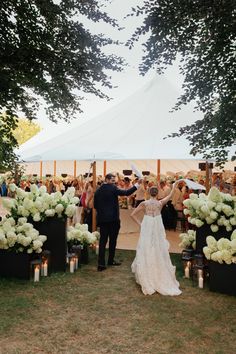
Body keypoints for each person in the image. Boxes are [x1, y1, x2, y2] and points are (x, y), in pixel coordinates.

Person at [130, 182, 182, 296]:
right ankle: (158, 270)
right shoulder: (160, 203)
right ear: (157, 193)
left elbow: (132, 214)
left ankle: (147, 273)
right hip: (157, 224)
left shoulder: (144, 203)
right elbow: (171, 195)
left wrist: (140, 224)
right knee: (158, 246)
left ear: (148, 193)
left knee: (146, 246)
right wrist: (174, 186)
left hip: (147, 224)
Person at [94, 173, 142, 272]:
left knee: (102, 242)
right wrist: (137, 184)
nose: (114, 182)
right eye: (112, 180)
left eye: (114, 181)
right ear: (106, 180)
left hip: (103, 220)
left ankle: (101, 264)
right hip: (113, 220)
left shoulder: (98, 190)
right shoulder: (113, 188)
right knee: (112, 240)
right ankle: (110, 260)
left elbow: (95, 205)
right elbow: (127, 193)